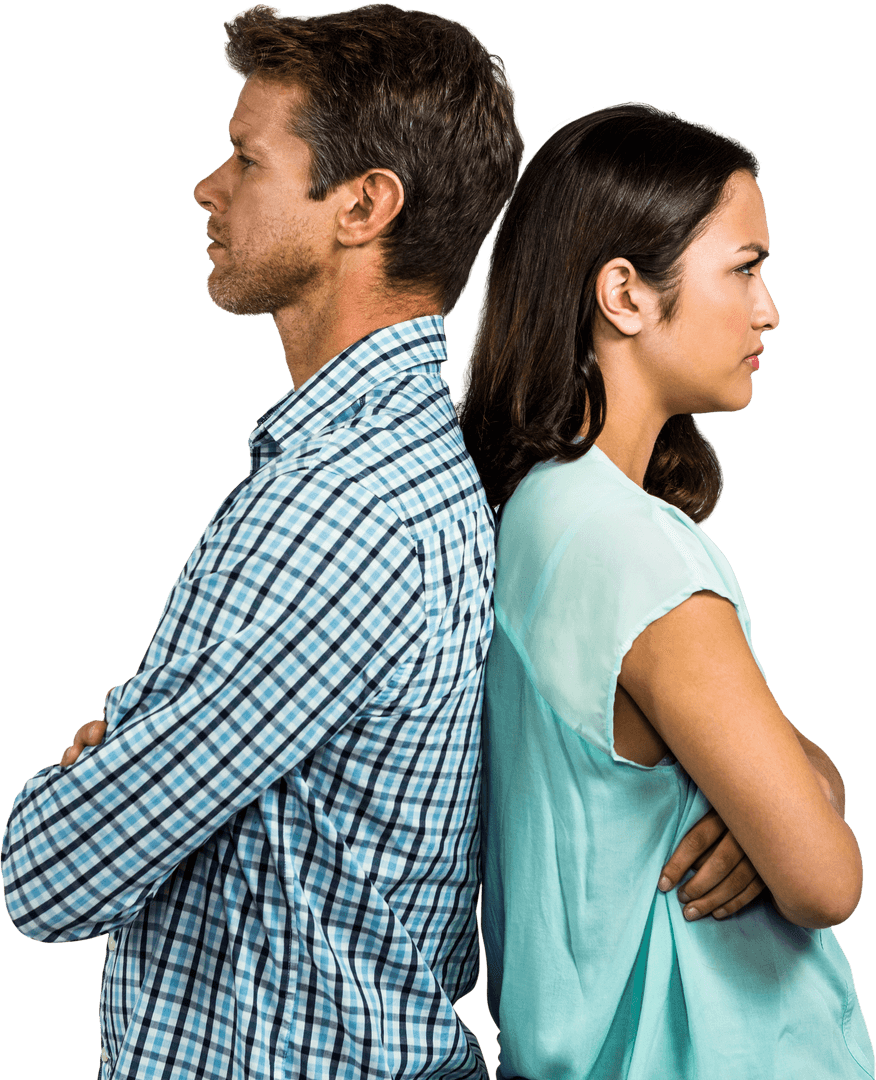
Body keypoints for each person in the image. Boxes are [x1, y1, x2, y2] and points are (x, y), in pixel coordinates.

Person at [1, 6, 524, 1078]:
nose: (210, 186)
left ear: (365, 206)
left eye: (247, 159)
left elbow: (50, 876)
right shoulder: (393, 473)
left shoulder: (341, 508)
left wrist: (110, 765)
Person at [458, 102, 873, 1079]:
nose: (769, 308)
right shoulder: (640, 553)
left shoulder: (523, 516)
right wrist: (799, 791)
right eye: (745, 267)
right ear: (626, 295)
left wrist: (784, 785)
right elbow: (824, 878)